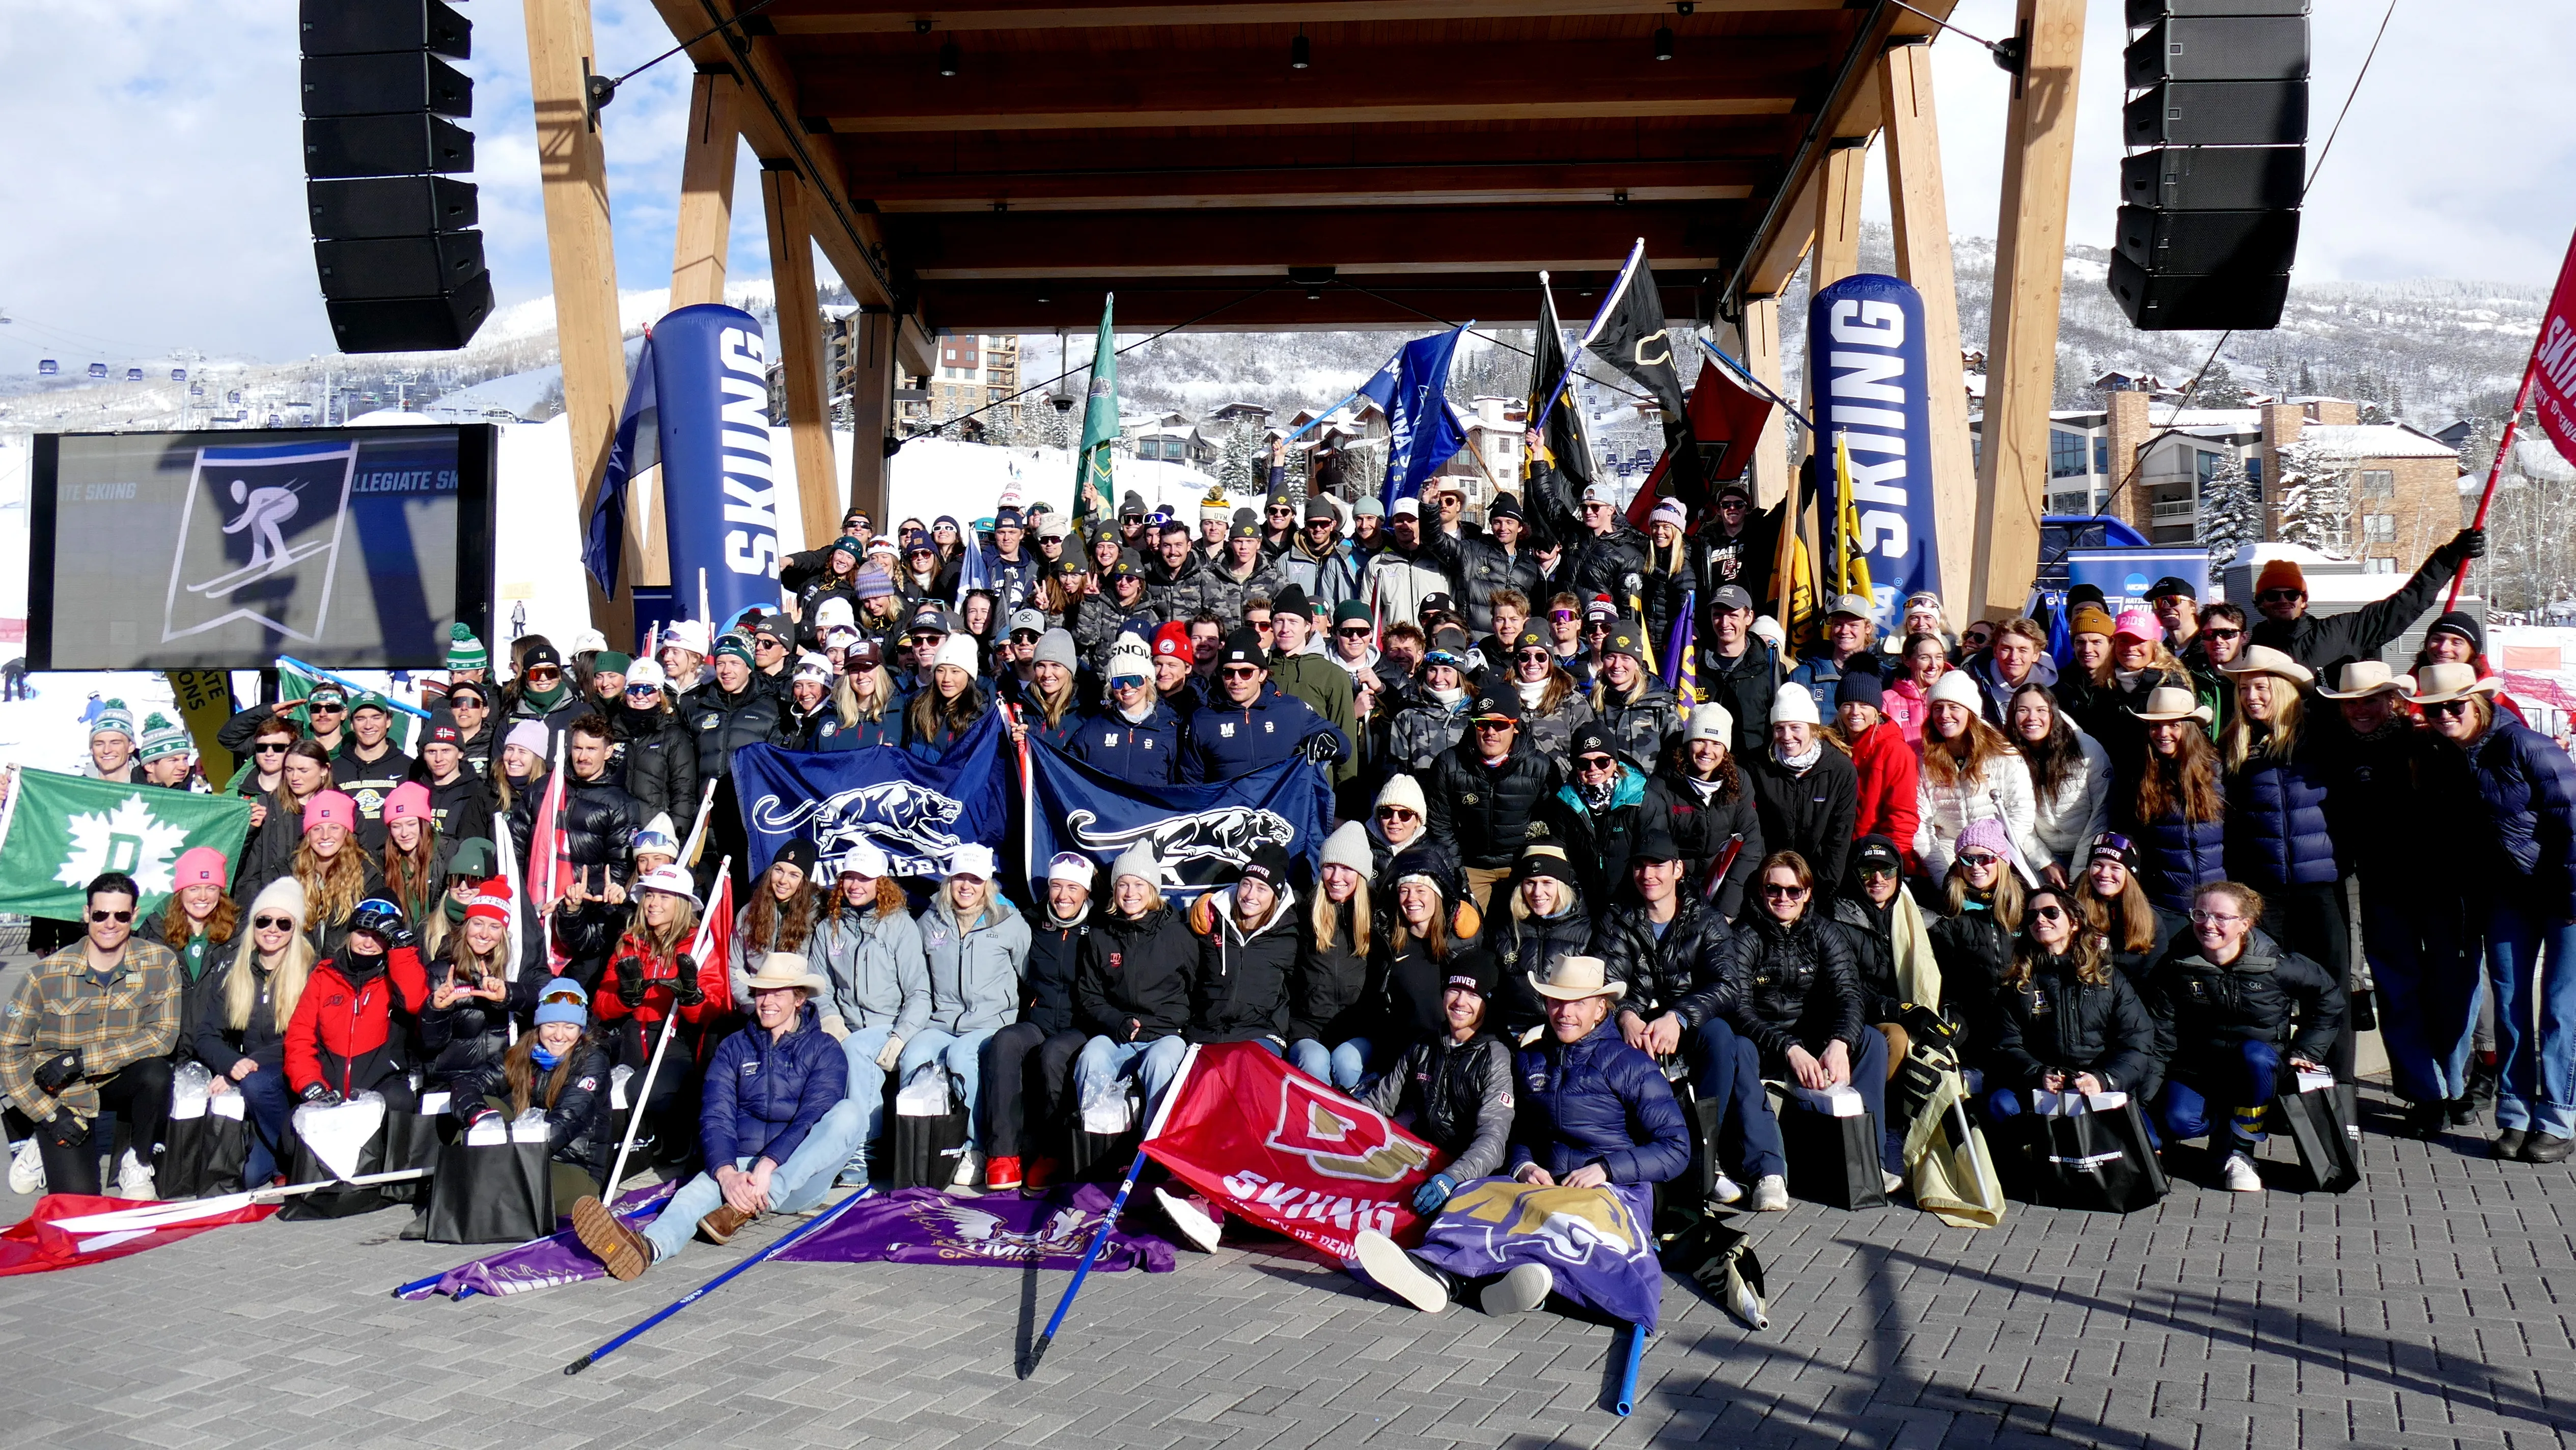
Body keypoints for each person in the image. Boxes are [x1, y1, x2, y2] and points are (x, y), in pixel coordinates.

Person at [572, 954, 863, 1278]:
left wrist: (770, 1165)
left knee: (849, 1114)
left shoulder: (825, 1049)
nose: (766, 1002)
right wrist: (726, 1173)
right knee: (691, 1195)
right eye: (761, 993)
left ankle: (745, 1206)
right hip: (741, 1166)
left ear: (799, 999)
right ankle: (646, 1249)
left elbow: (813, 1115)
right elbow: (716, 1114)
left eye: (777, 994)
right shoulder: (733, 1047)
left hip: (798, 1177)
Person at [2418, 661, 2576, 1162]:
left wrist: (2570, 896)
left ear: (2478, 702)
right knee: (2508, 1005)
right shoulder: (2448, 757)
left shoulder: (2525, 745)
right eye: (2433, 707)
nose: (2444, 715)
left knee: (2559, 1010)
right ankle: (2514, 1112)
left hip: (2562, 890)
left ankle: (2557, 1116)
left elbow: (2571, 816)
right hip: (2507, 896)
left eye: (2453, 705)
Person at [2318, 660, 2470, 1134]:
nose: (2361, 710)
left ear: (2392, 701)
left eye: (2370, 700)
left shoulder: (2427, 741)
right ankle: (2423, 1094)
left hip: (2441, 887)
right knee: (2399, 993)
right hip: (2383, 888)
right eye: (2352, 703)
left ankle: (2455, 1083)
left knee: (2451, 990)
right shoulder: (2335, 751)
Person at [1712, 850, 1898, 1196]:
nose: (1783, 898)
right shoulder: (1742, 937)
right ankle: (1767, 1173)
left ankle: (1869, 1159)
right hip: (1765, 1043)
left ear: (1807, 893)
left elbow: (1849, 994)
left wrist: (1839, 1042)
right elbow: (1737, 1008)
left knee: (1871, 1040)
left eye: (1793, 890)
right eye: (1773, 889)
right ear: (1760, 890)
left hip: (1813, 1040)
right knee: (1737, 1048)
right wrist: (1789, 1048)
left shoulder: (1825, 933)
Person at [2143, 881, 2343, 1193]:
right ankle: (2222, 1128)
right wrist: (2147, 1100)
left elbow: (2329, 997)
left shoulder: (2278, 965)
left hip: (2258, 1071)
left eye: (2222, 917)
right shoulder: (2175, 966)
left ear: (2245, 924)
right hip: (2198, 1069)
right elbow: (2161, 1034)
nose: (2208, 925)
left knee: (2256, 1056)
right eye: (2200, 914)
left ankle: (2242, 1153)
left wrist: (2307, 1051)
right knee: (2180, 1122)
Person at [1, 873, 181, 1199]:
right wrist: (48, 1114)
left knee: (156, 1073)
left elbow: (163, 1035)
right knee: (79, 1203)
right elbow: (9, 1053)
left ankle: (138, 1162)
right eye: (100, 915)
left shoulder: (159, 963)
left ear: (134, 915)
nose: (110, 924)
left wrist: (81, 1059)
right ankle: (38, 1143)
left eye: (121, 916)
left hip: (118, 1076)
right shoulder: (44, 974)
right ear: (86, 914)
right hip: (64, 1093)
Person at [2216, 646, 2349, 1075]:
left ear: (2282, 689)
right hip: (2264, 889)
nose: (2251, 696)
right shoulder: (2233, 744)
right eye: (2243, 689)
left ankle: (2336, 1081)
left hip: (2320, 885)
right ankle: (2272, 1083)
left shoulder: (2321, 734)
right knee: (2267, 987)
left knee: (2329, 986)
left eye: (2260, 687)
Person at [1979, 884, 2160, 1129]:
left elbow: (2137, 1040)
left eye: (2051, 913)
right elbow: (2004, 1045)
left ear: (2074, 922)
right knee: (2001, 1106)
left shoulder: (2108, 977)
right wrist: (2038, 1074)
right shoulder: (2017, 983)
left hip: (2098, 1086)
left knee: (2149, 1140)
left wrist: (2105, 1079)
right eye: (2032, 916)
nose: (2040, 919)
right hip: (2041, 1087)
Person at [1354, 952, 1515, 1223]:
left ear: (1487, 1003)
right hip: (1425, 1160)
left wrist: (1452, 1177)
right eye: (1454, 989)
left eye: (1473, 995)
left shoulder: (1496, 1056)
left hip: (1469, 1174)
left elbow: (1494, 1140)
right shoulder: (1424, 1045)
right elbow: (1378, 1104)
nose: (1461, 1002)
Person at [903, 844, 1029, 1189]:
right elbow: (918, 978)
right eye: (960, 877)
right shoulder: (930, 921)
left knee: (962, 1057)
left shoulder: (1007, 921)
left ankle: (976, 1148)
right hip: (941, 1021)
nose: (966, 886)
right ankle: (918, 1147)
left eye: (975, 879)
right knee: (914, 1055)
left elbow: (1029, 974)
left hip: (991, 1023)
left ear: (986, 883)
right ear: (949, 880)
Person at [805, 844, 928, 1187]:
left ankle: (862, 1149)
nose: (855, 885)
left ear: (881, 883)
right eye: (849, 877)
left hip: (887, 1025)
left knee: (858, 1051)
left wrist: (901, 1034)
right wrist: (830, 1019)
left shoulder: (899, 926)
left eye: (865, 878)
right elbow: (819, 986)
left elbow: (919, 992)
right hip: (844, 1024)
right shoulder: (829, 928)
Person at [982, 851, 1095, 1192]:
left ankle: (1051, 1153)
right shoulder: (1030, 921)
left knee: (1052, 1054)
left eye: (1073, 889)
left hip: (1081, 1024)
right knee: (1005, 1041)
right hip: (1039, 1017)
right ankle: (1003, 1155)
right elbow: (993, 916)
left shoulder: (1100, 928)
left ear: (1086, 893)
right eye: (1056, 886)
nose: (1063, 896)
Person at [451, 979, 617, 1209]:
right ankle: (468, 1187)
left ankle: (470, 1191)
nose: (559, 1036)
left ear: (580, 1030)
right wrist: (481, 1118)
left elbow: (566, 1121)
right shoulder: (525, 1051)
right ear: (539, 1026)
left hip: (572, 1167)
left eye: (569, 1027)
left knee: (499, 1186)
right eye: (551, 1026)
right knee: (487, 1105)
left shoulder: (592, 1061)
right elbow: (469, 1082)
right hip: (524, 1155)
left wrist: (505, 1155)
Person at [193, 877, 314, 1190]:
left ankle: (296, 1156)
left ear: (295, 929)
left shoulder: (312, 972)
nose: (272, 929)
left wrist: (245, 1066)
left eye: (283, 923)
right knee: (246, 1178)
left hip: (295, 1075)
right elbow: (205, 1035)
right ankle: (285, 1157)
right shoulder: (238, 972)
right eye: (264, 920)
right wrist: (231, 1062)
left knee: (256, 1081)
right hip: (256, 1084)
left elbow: (305, 1036)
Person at [2247, 528, 2484, 677]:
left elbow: (2406, 603)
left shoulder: (2343, 631)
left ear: (2304, 601)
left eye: (2291, 594)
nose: (2282, 601)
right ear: (2260, 603)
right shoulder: (2248, 649)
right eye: (2272, 595)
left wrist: (2449, 557)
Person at [1074, 845, 1198, 1121]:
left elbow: (1197, 990)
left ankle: (1153, 1151)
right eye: (1123, 885)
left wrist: (1168, 1025)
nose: (1130, 893)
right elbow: (1089, 996)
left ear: (1152, 889)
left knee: (1162, 1062)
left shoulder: (1178, 935)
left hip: (1164, 1035)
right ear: (1114, 891)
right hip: (1117, 1034)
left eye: (1139, 884)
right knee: (1092, 1057)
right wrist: (1116, 1021)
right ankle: (1098, 1141)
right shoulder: (1100, 936)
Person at [284, 899, 429, 1112]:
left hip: (382, 1087)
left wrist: (401, 948)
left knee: (399, 1102)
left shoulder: (396, 978)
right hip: (328, 1088)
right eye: (362, 933)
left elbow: (415, 1003)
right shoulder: (325, 975)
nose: (368, 944)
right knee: (292, 1130)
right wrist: (310, 1083)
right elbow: (299, 1037)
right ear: (350, 934)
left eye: (378, 937)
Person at [1424, 687, 1558, 913]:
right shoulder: (1448, 764)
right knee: (1467, 929)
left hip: (1520, 863)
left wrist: (1533, 866)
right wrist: (1460, 875)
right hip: (1471, 864)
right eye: (1482, 724)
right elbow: (1440, 827)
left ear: (1515, 727)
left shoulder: (1541, 767)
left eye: (1500, 724)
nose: (1490, 732)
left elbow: (1551, 826)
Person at [1914, 671, 2042, 880]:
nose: (1944, 715)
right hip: (1949, 849)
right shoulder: (1924, 758)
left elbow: (2022, 813)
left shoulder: (2003, 754)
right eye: (1938, 708)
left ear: (1970, 713)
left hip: (1998, 853)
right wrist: (1942, 879)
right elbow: (1922, 826)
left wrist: (1994, 858)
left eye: (1954, 707)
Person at [1643, 703, 1764, 919]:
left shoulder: (1740, 781)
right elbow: (1658, 851)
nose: (1707, 751)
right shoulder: (1662, 786)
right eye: (1700, 741)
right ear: (1688, 743)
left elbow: (1750, 846)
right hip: (1677, 890)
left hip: (1725, 889)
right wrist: (1682, 904)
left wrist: (1727, 910)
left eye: (1716, 743)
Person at [1288, 823, 1380, 1088]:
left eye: (1347, 868)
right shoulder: (1303, 908)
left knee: (1346, 1063)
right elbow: (1263, 898)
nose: (1336, 877)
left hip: (1359, 1028)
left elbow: (1422, 904)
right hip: (1307, 1026)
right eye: (1330, 866)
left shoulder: (1379, 914)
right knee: (1314, 1061)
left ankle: (1355, 1127)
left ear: (1361, 873)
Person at [1184, 844, 1299, 1055]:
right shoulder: (1212, 922)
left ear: (1276, 894)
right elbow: (1188, 977)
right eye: (1246, 884)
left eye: (1262, 888)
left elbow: (1294, 990)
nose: (1250, 895)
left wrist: (1277, 1030)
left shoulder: (1290, 934)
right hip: (1206, 1033)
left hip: (1259, 1036)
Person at [1926, 817, 2025, 1060]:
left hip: (2025, 1028)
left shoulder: (2027, 911)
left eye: (1984, 858)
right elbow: (1947, 984)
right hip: (1976, 1029)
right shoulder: (1948, 916)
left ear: (2001, 861)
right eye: (1967, 859)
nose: (1975, 866)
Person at [2126, 687, 2228, 912]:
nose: (2163, 733)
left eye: (2174, 725)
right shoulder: (2140, 778)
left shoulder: (2217, 772)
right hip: (2167, 904)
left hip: (2220, 903)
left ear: (2189, 729)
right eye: (2156, 726)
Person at [1750, 687, 1860, 886]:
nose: (1787, 736)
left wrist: (1827, 888)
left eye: (1795, 727)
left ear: (1813, 728)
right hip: (1769, 876)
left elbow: (1839, 838)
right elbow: (1753, 831)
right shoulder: (1756, 767)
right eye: (1779, 728)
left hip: (1817, 876)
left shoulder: (1840, 770)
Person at [1372, 863, 1487, 1051]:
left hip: (1449, 1050)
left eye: (1420, 890)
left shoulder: (1462, 942)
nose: (1411, 899)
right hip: (1402, 1049)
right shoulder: (1389, 943)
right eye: (1404, 891)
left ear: (1437, 895)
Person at [2011, 684, 2112, 886]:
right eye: (2023, 710)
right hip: (2038, 854)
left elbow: (2102, 812)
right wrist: (2045, 862)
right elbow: (2016, 819)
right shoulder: (2009, 756)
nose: (2032, 717)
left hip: (2088, 850)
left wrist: (2079, 870)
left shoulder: (2086, 749)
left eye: (2041, 710)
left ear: (2053, 713)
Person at [1538, 722, 1649, 906]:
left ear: (1615, 762)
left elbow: (1651, 858)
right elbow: (1563, 860)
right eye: (1583, 763)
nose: (1594, 769)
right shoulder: (1564, 803)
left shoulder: (1641, 798)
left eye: (1602, 761)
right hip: (1583, 902)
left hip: (1633, 902)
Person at [142, 846, 239, 1048]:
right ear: (180, 892)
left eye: (211, 888)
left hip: (218, 1044)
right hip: (167, 1044)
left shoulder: (237, 932)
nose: (203, 897)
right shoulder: (155, 930)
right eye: (194, 888)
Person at [1074, 636, 1187, 784]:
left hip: (1149, 807)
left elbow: (1180, 787)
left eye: (1135, 679)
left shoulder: (1171, 729)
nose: (1127, 688)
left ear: (1148, 681)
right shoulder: (1093, 729)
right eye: (1119, 681)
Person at [2076, 832, 2181, 988]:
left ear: (2130, 874)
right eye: (2098, 865)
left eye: (2115, 868)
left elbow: (2155, 977)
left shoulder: (2150, 920)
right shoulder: (2072, 911)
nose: (2104, 874)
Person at [1837, 673, 1919, 865]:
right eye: (1847, 705)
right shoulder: (1832, 747)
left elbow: (1902, 817)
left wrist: (1890, 863)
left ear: (1877, 710)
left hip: (1875, 857)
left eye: (1864, 705)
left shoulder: (1895, 751)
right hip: (1838, 856)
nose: (1855, 712)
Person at [731, 842, 820, 1008]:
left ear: (804, 882)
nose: (783, 881)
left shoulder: (816, 918)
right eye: (779, 871)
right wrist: (753, 1006)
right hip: (754, 1005)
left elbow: (819, 973)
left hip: (797, 1008)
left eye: (794, 875)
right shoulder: (748, 913)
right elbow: (735, 968)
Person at [1588, 619, 1683, 775]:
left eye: (1626, 658)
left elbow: (1678, 760)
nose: (1617, 665)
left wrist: (1656, 795)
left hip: (1649, 796)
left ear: (1637, 662)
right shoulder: (1592, 704)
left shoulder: (1660, 705)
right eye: (1611, 657)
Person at [1786, 594, 1883, 719]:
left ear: (1868, 628)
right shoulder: (1802, 676)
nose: (1844, 631)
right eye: (1838, 624)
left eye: (1853, 625)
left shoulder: (1884, 677)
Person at [903, 632, 990, 762]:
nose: (946, 679)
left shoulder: (981, 716)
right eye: (941, 670)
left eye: (955, 671)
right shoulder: (917, 705)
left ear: (969, 676)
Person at [1886, 631, 1946, 748]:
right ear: (1906, 660)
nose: (1934, 665)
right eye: (1925, 658)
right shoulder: (1887, 700)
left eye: (1939, 657)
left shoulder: (1952, 697)